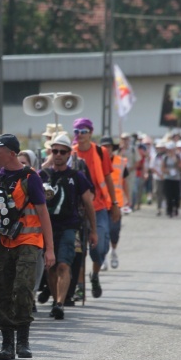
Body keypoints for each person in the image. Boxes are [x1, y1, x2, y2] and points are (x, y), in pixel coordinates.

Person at [0, 134, 55, 360]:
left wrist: (49, 249)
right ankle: (7, 342)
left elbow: (43, 213)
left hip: (28, 242)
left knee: (23, 288)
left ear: (11, 153)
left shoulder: (31, 177)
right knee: (0, 289)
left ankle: (23, 339)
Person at [39, 134, 96, 319]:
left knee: (64, 265)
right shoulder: (43, 175)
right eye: (55, 151)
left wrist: (93, 230)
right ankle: (56, 301)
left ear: (68, 154)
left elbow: (88, 203)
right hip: (47, 228)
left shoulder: (76, 176)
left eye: (62, 152)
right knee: (50, 267)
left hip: (70, 226)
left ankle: (60, 303)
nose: (58, 155)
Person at [70, 118, 120, 298]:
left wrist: (114, 204)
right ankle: (80, 286)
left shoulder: (101, 151)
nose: (80, 135)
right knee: (79, 249)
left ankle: (96, 275)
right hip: (77, 208)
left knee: (99, 248)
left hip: (99, 206)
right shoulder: (70, 153)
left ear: (90, 133)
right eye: (77, 131)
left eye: (83, 131)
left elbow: (107, 179)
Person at [100, 136, 129, 270]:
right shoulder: (97, 161)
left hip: (117, 202)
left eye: (109, 147)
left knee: (114, 231)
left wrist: (128, 199)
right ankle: (103, 258)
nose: (107, 149)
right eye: (104, 147)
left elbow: (125, 182)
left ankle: (114, 252)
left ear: (113, 148)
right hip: (101, 201)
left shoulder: (121, 161)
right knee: (103, 231)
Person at [162, 141, 181, 218]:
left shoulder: (178, 157)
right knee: (169, 195)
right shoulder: (165, 157)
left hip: (176, 178)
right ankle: (169, 210)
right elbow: (162, 168)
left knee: (176, 195)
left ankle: (176, 208)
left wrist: (176, 161)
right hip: (168, 178)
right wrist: (167, 171)